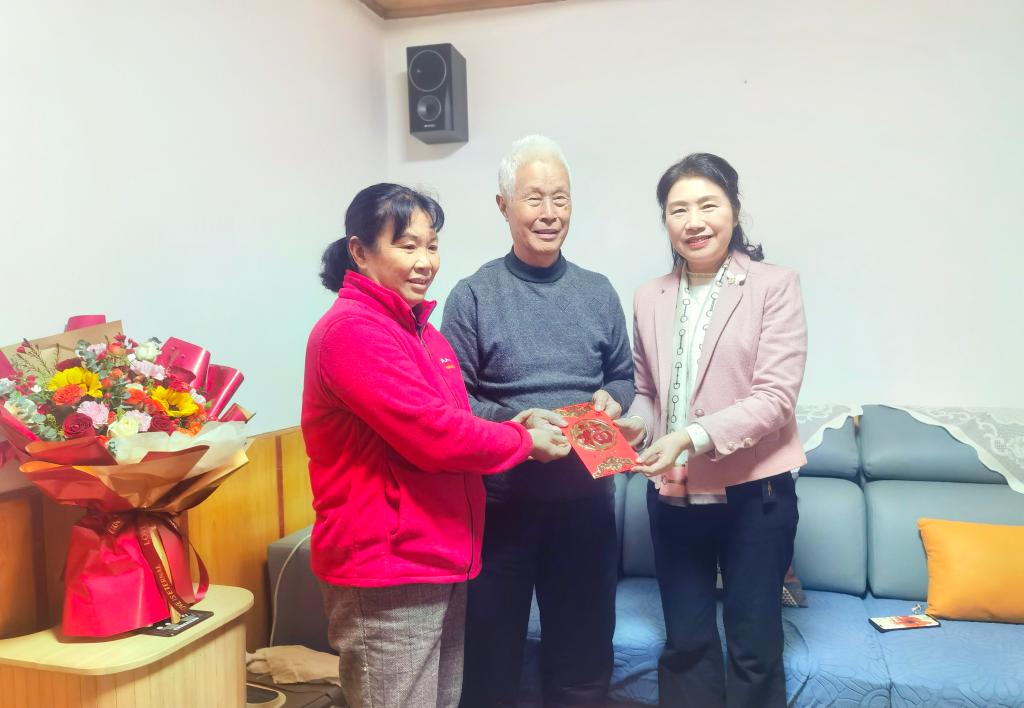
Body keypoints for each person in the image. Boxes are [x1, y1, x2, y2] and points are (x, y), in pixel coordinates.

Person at [301, 183, 570, 708]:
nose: (425, 262)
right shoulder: (352, 331)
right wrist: (524, 441)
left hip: (438, 554)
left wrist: (515, 421)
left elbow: (453, 419)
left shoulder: (423, 332)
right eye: (407, 246)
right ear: (359, 251)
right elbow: (434, 435)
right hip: (387, 566)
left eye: (432, 245)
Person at [441, 135, 635, 707]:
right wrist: (518, 426)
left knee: (583, 665)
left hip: (585, 506)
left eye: (560, 198)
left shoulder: (598, 292)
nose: (549, 213)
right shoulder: (472, 296)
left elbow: (623, 376)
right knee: (489, 669)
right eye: (534, 198)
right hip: (500, 509)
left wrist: (613, 399)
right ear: (504, 205)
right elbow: (454, 400)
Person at [621, 154, 808, 708]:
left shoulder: (775, 285)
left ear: (734, 210)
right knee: (687, 644)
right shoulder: (648, 295)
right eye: (678, 209)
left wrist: (689, 437)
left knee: (754, 647)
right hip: (673, 495)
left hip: (756, 495)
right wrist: (635, 424)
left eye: (708, 205)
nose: (694, 221)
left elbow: (775, 398)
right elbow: (648, 390)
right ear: (665, 220)